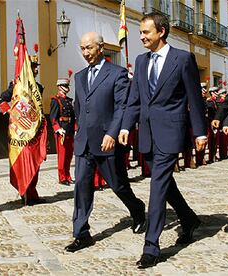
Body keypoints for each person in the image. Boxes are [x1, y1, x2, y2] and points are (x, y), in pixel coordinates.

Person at [118, 12, 207, 268]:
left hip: (171, 132)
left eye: (146, 32)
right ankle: (188, 220)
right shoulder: (141, 61)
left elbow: (194, 97)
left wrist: (200, 131)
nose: (142, 37)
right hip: (147, 133)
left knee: (157, 187)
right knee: (166, 184)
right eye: (141, 33)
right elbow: (135, 99)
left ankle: (151, 247)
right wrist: (126, 126)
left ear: (161, 31)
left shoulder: (182, 59)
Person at [65, 32, 146, 253]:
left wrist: (112, 132)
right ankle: (81, 233)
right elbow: (79, 108)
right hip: (84, 144)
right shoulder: (80, 77)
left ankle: (137, 210)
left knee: (118, 184)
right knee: (81, 186)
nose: (85, 53)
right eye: (82, 48)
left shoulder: (117, 74)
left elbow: (122, 106)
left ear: (100, 47)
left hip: (107, 142)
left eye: (89, 48)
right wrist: (80, 132)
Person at [0, 45, 46, 205]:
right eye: (32, 67)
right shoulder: (16, 85)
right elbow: (1, 100)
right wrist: (12, 115)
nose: (35, 70)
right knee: (23, 162)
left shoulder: (38, 88)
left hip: (34, 132)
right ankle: (25, 192)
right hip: (20, 133)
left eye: (36, 67)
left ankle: (32, 193)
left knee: (34, 163)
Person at [49, 73, 75, 185]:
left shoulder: (69, 101)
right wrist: (57, 128)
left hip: (69, 129)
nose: (67, 88)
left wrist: (76, 128)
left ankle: (68, 176)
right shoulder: (56, 100)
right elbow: (53, 117)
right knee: (62, 156)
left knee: (69, 155)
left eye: (67, 86)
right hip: (62, 131)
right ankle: (62, 177)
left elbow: (73, 117)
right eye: (65, 86)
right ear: (59, 87)